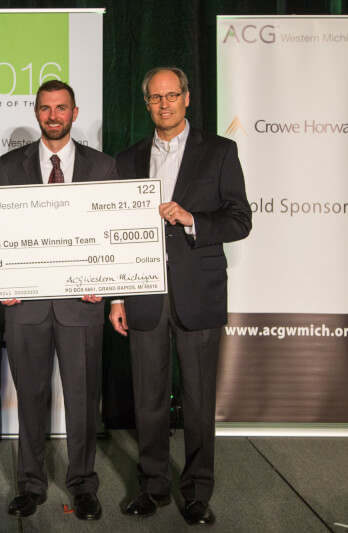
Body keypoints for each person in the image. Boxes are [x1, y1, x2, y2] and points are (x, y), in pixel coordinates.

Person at [110, 67, 252, 525]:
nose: (165, 104)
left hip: (199, 293)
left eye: (173, 95)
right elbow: (115, 234)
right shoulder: (127, 159)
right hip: (144, 293)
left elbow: (239, 220)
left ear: (187, 99)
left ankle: (197, 492)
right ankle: (152, 487)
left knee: (197, 399)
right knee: (148, 399)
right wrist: (116, 298)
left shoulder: (220, 151)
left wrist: (192, 220)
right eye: (156, 98)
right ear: (146, 103)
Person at [0, 80, 118, 521]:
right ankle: (30, 483)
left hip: (81, 304)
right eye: (45, 108)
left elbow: (111, 232)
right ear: (36, 113)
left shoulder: (103, 166)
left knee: (84, 399)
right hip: (25, 305)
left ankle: (83, 484)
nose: (53, 115)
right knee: (29, 396)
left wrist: (105, 280)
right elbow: (0, 234)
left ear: (74, 112)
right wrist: (1, 282)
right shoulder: (9, 165)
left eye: (61, 108)